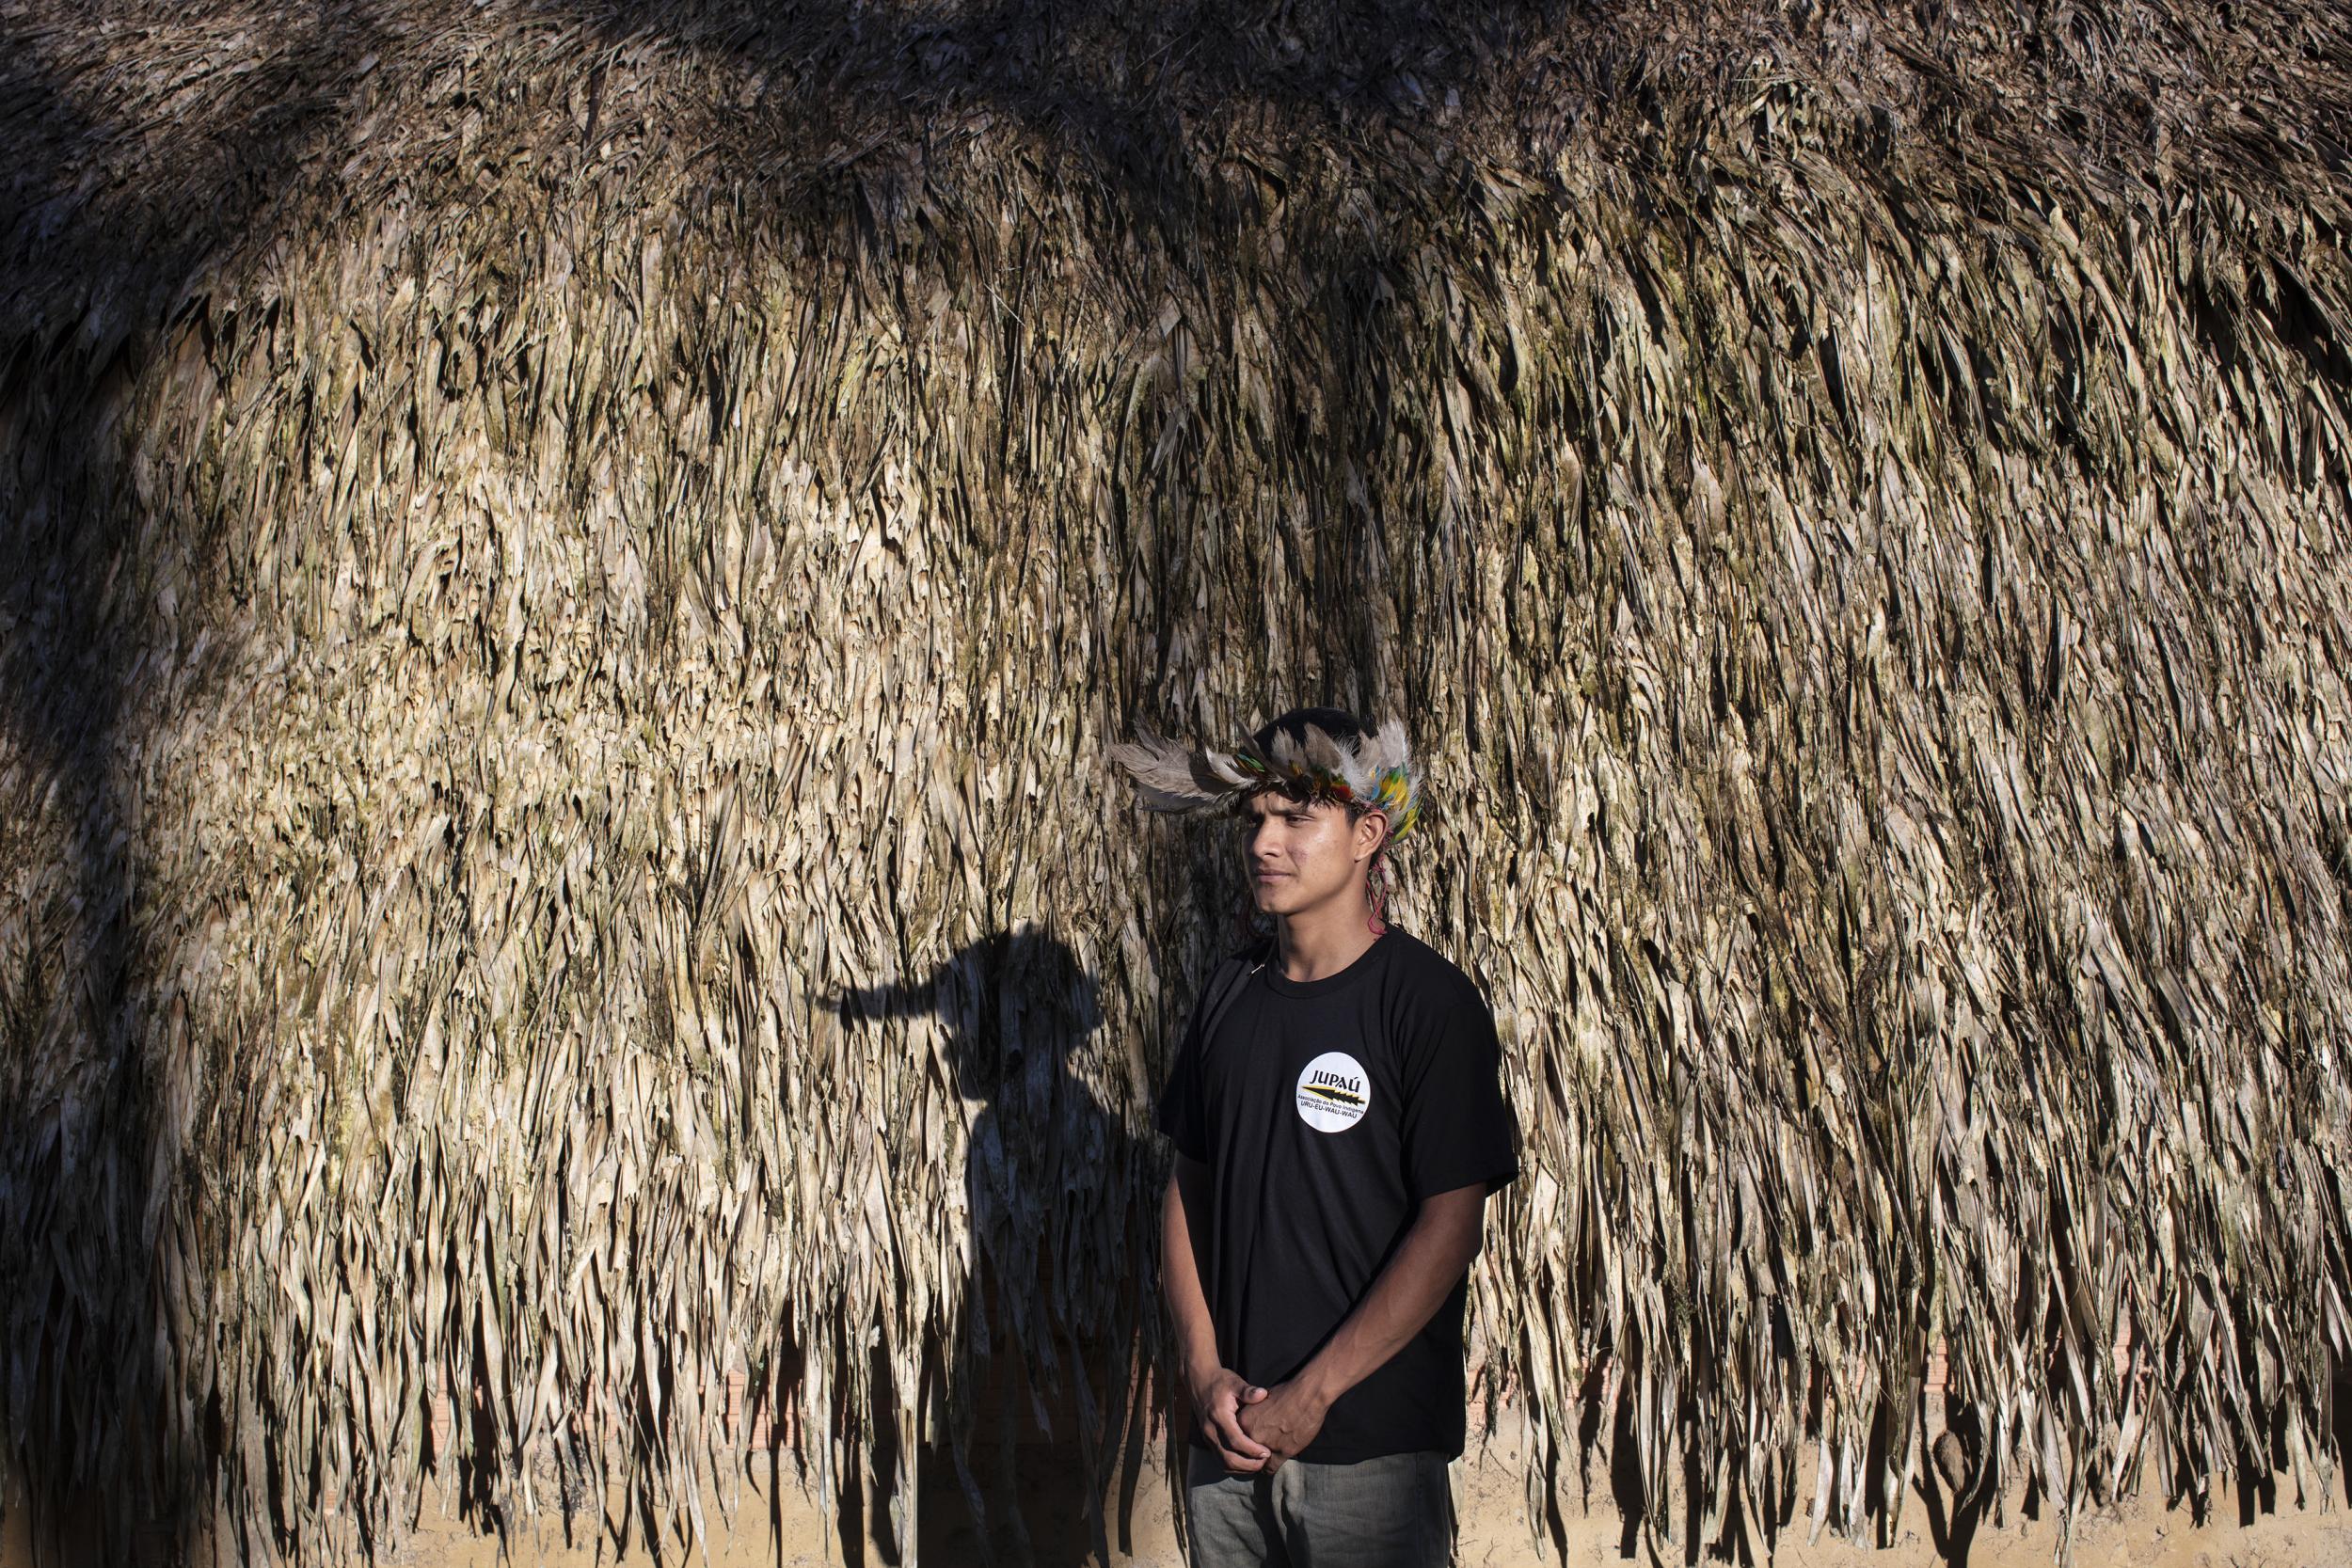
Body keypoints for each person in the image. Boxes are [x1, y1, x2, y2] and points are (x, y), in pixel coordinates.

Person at [1110, 707, 1518, 1567]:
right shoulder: (1228, 995)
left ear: (1369, 832)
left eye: (1298, 816)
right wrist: (1203, 1372)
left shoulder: (1428, 1006)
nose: (1265, 840)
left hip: (1371, 1456)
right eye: (1256, 816)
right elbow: (1187, 1187)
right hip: (1228, 1451)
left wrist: (1316, 1391)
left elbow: (1451, 1225)